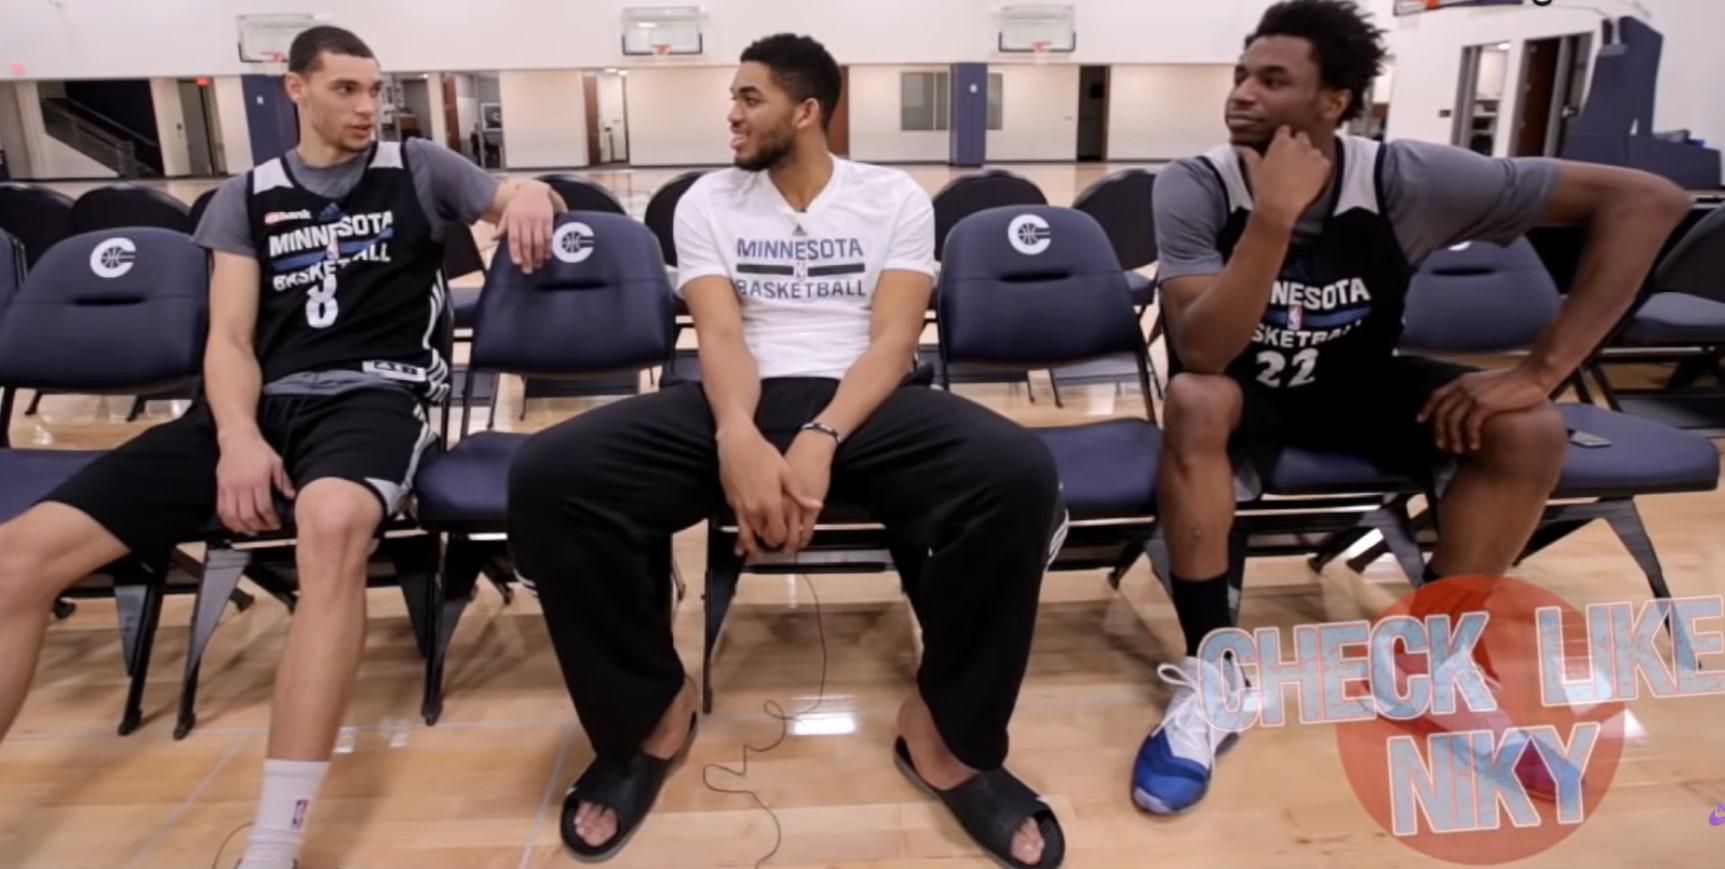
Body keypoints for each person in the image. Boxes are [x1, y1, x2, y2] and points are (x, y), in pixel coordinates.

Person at [0, 26, 561, 869]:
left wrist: (530, 194)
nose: (368, 107)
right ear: (294, 89)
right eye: (345, 89)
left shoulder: (418, 167)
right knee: (17, 557)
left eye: (376, 90)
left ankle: (274, 837)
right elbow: (228, 341)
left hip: (376, 397)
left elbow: (517, 195)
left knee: (330, 524)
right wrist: (237, 438)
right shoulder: (247, 196)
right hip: (254, 408)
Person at [507, 33, 1067, 868]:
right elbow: (721, 335)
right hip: (739, 395)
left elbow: (892, 342)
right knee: (552, 476)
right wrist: (737, 433)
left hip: (866, 402)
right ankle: (647, 716)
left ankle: (948, 734)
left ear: (806, 112)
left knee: (1016, 474)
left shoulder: (890, 197)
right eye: (732, 97)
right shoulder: (707, 200)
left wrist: (821, 435)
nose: (730, 114)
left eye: (749, 98)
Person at [1132, 0, 1689, 816]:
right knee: (1192, 396)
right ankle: (1213, 671)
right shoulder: (1196, 184)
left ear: (1334, 102)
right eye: (1241, 74)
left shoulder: (1406, 178)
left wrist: (1540, 371)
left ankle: (1431, 661)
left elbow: (1648, 201)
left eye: (1272, 80)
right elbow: (1206, 350)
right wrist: (1274, 217)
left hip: (1357, 382)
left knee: (1528, 428)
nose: (1241, 93)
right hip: (1243, 394)